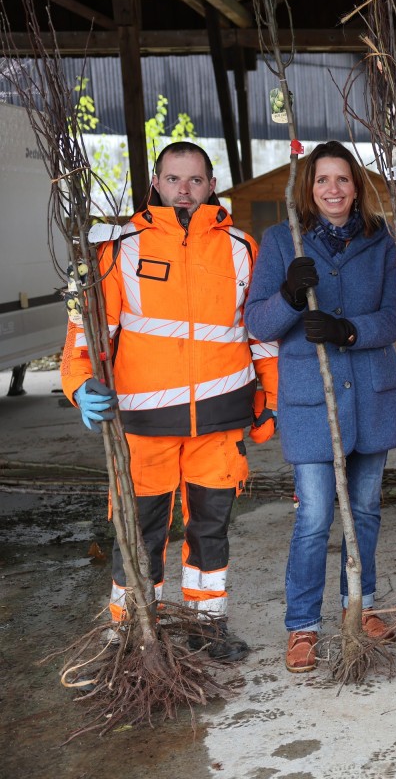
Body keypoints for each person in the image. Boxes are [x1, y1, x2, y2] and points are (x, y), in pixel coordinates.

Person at [61, 141, 279, 662]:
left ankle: (207, 625)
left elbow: (261, 335)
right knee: (139, 533)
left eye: (196, 180)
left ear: (211, 185)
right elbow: (85, 332)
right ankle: (134, 632)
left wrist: (270, 397)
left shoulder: (240, 248)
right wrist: (78, 384)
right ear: (156, 183)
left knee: (211, 531)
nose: (185, 189)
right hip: (143, 423)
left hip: (221, 419)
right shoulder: (118, 250)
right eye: (174, 179)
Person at [245, 141, 396, 673]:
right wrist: (287, 294)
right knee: (315, 516)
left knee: (367, 510)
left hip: (369, 398)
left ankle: (363, 603)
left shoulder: (381, 241)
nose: (333, 190)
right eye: (322, 180)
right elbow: (258, 323)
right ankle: (302, 624)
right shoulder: (282, 240)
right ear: (308, 187)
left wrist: (348, 330)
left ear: (357, 186)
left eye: (343, 180)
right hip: (311, 403)